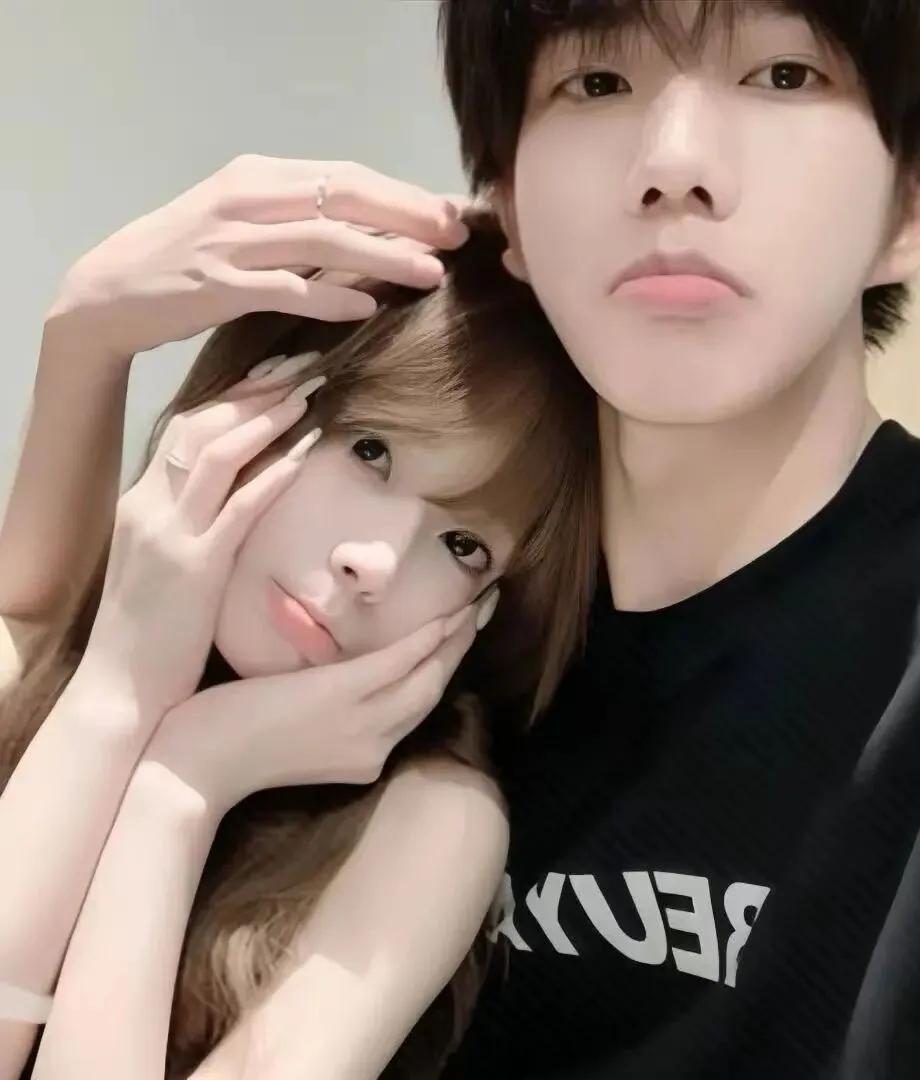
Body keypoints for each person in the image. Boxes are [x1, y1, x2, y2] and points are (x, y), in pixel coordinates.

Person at [6, 0, 920, 1076]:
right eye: (597, 82)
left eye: (785, 76)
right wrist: (89, 336)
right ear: (507, 203)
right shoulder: (429, 665)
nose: (674, 164)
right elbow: (39, 627)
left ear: (919, 202)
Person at [0, 206, 598, 1080]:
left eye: (464, 545)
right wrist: (120, 691)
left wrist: (183, 786)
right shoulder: (24, 664)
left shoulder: (429, 826)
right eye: (372, 451)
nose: (374, 563)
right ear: (243, 406)